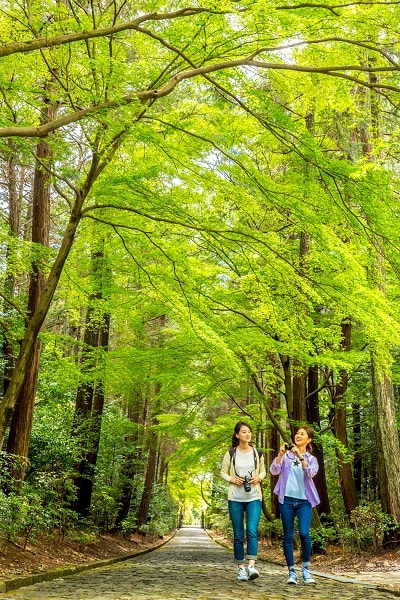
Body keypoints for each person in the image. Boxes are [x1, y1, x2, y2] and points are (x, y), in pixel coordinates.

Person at [270, 426, 320, 585]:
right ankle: (291, 572)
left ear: (309, 439)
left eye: (302, 434)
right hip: (287, 501)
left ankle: (306, 570)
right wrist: (280, 454)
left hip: (304, 501)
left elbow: (311, 473)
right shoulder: (286, 456)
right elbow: (274, 471)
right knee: (288, 536)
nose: (298, 435)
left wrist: (301, 456)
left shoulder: (312, 459)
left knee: (305, 533)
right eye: (297, 433)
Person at [220, 421, 266, 581]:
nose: (248, 434)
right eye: (244, 432)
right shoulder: (231, 453)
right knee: (238, 534)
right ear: (237, 435)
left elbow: (263, 471)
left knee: (252, 531)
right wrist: (233, 479)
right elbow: (222, 473)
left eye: (249, 432)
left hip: (254, 497)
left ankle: (252, 566)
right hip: (235, 498)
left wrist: (258, 478)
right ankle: (241, 568)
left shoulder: (257, 453)